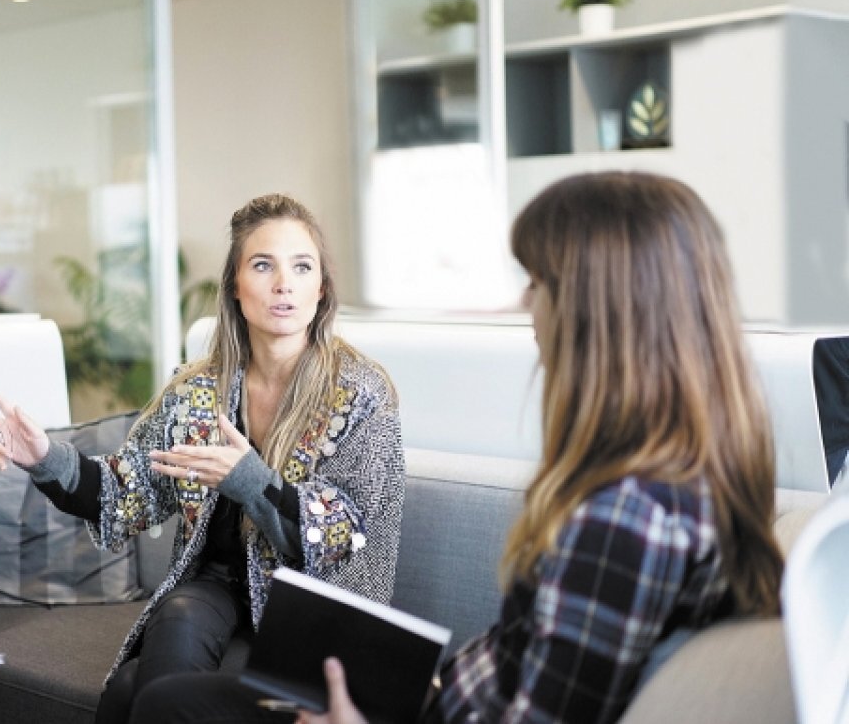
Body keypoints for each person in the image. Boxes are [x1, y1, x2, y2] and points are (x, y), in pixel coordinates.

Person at [292, 171, 785, 724]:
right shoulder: (685, 480)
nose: (528, 306)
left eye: (537, 282)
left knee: (186, 703)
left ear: (594, 311)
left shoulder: (624, 520)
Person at [0, 193, 405, 723]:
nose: (283, 283)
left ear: (321, 289)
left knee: (133, 690)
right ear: (236, 288)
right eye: (263, 265)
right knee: (175, 616)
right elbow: (122, 492)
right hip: (217, 587)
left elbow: (345, 534)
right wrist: (43, 458)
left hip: (316, 608)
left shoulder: (361, 393)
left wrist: (250, 480)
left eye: (301, 266)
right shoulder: (198, 390)